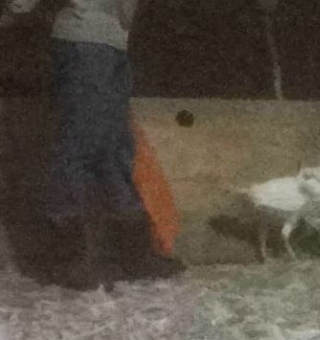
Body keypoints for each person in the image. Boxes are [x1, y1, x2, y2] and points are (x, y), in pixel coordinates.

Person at [1, 0, 184, 290]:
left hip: (114, 44)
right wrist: (16, 8)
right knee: (78, 147)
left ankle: (134, 253)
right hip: (83, 41)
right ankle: (69, 257)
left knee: (116, 149)